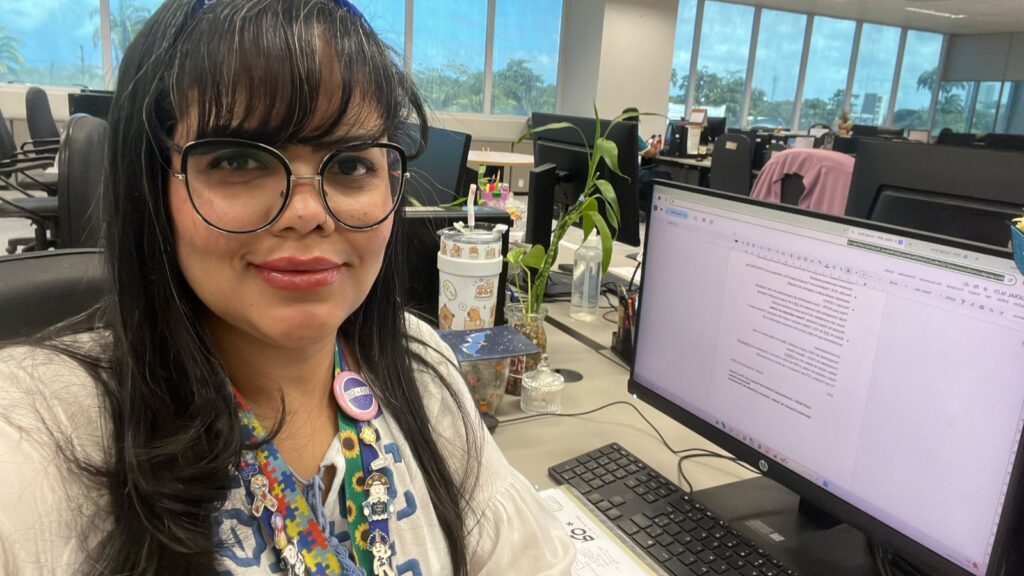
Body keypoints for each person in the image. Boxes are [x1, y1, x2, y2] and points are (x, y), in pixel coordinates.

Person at [0, 1, 574, 575]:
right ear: (152, 188)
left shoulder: (420, 368)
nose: (306, 213)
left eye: (350, 165)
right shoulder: (34, 437)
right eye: (237, 159)